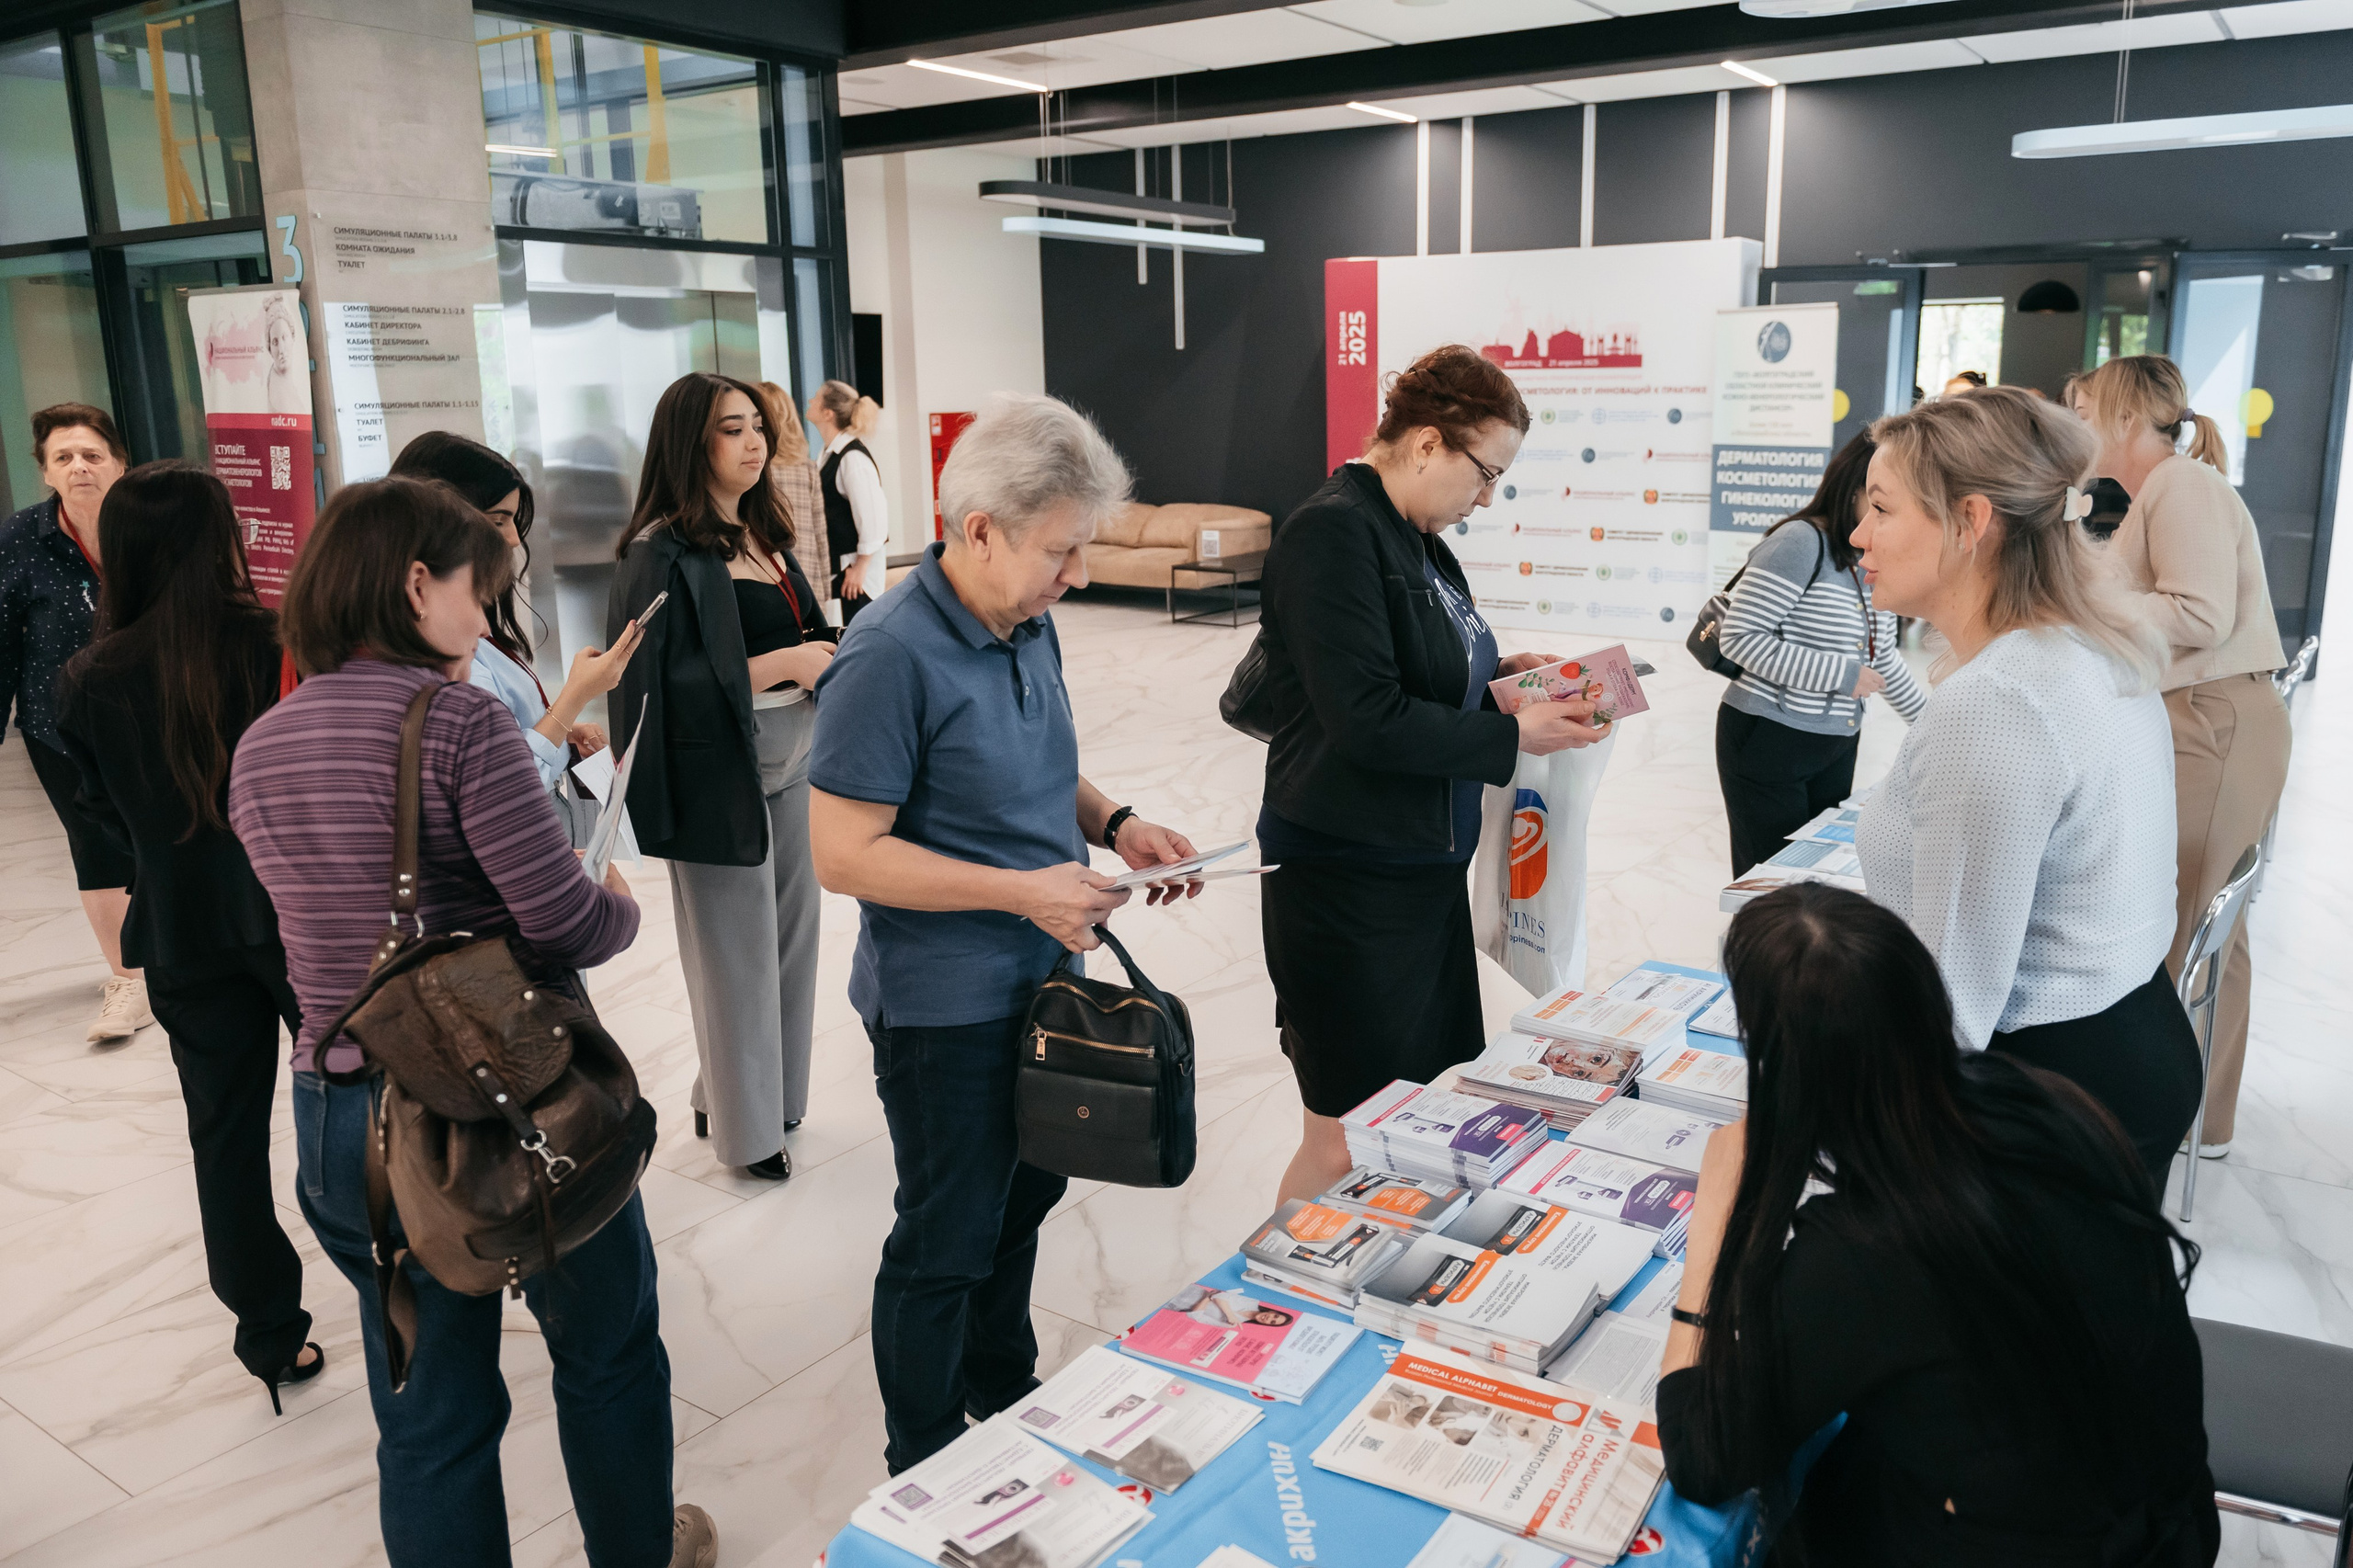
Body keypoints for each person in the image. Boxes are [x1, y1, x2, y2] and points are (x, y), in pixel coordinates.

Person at [226, 476, 715, 1568]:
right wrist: (617, 902)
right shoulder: (457, 724)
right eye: (473, 590)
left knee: (429, 1411)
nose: (483, 618)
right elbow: (562, 920)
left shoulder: (261, 743)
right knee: (606, 1347)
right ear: (415, 586)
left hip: (342, 1113)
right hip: (506, 1101)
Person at [805, 392, 1199, 1473]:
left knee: (1025, 1194)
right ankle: (927, 1458)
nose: (1078, 575)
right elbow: (843, 853)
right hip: (944, 1005)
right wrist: (1023, 891)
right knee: (947, 1234)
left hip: (1038, 976)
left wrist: (1115, 822)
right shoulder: (887, 655)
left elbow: (1036, 761)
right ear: (979, 530)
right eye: (1061, 551)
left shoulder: (1023, 618)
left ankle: (1000, 1384)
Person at [1656, 881, 2218, 1567]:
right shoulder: (2044, 1100)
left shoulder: (1865, 1251)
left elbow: (1703, 1457)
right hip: (2171, 1514)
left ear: (1786, 1073)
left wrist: (1713, 1230)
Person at [1251, 345, 1607, 1205]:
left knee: (1417, 1114)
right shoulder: (1333, 532)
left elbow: (1424, 670)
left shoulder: (1418, 539)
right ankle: (1285, 1277)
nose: (1486, 499)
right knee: (1344, 1136)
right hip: (1344, 884)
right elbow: (1366, 719)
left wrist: (1505, 678)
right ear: (1425, 444)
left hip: (1418, 878)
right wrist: (1513, 733)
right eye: (1485, 474)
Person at [1852, 385, 2195, 1188]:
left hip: (2047, 1090)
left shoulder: (1999, 701)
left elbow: (1952, 1001)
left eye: (1882, 509)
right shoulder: (2086, 644)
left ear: (1970, 521)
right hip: (2131, 1041)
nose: (1859, 534)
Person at [52, 463, 323, 1410]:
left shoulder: (85, 678)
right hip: (300, 915)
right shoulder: (280, 640)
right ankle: (405, 1282)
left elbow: (98, 814)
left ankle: (269, 1334)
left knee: (224, 1137)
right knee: (362, 1101)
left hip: (177, 925)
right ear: (222, 539)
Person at [609, 373, 833, 1179]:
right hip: (715, 772)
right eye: (731, 429)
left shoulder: (763, 533)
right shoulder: (659, 552)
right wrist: (786, 663)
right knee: (735, 957)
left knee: (792, 939)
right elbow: (655, 684)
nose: (753, 443)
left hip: (795, 758)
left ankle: (758, 1098)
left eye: (757, 427)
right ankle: (750, 1137)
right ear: (689, 444)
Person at [2078, 355, 2289, 1162]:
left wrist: (2088, 603)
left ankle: (2175, 1121)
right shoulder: (2161, 492)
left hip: (2214, 723)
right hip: (2207, 720)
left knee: (2189, 933)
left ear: (2125, 418)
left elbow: (2198, 614)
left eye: (2084, 413)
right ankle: (2201, 1117)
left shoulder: (2181, 486)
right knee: (2208, 932)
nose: (2076, 430)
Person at [388, 432, 641, 821]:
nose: (512, 539)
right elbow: (504, 784)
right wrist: (576, 695)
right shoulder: (439, 651)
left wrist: (560, 731)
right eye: (498, 520)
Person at [1714, 433, 1927, 876]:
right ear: (1853, 490)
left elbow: (1881, 658)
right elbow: (1739, 636)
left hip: (1835, 741)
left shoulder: (1869, 556)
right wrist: (1843, 675)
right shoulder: (1799, 542)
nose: (1889, 519)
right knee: (1774, 884)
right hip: (1769, 737)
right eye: (1881, 505)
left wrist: (1932, 725)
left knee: (1815, 880)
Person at [0, 403, 147, 1040]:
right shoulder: (20, 539)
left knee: (169, 837)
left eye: (92, 454)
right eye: (63, 457)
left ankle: (187, 957)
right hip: (59, 726)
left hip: (158, 720)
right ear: (45, 471)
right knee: (96, 847)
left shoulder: (153, 526)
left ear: (120, 463)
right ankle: (129, 979)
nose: (79, 467)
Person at [808, 379, 888, 619]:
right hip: (843, 572)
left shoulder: (852, 458)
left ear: (828, 413)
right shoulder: (829, 454)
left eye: (816, 398)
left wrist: (861, 567)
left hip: (855, 576)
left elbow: (874, 520)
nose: (810, 401)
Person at [757, 381, 834, 602]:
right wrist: (826, 590)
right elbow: (820, 534)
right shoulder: (807, 468)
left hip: (768, 581)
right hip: (808, 579)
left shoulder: (756, 471)